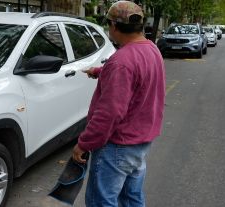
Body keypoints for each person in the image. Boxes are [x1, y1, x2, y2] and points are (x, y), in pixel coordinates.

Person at [72, 1, 165, 206]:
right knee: (131, 199)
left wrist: (84, 143)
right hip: (140, 143)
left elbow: (110, 113)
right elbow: (137, 75)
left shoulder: (121, 61)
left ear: (114, 26)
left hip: (117, 147)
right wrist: (100, 72)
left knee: (102, 201)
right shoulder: (152, 49)